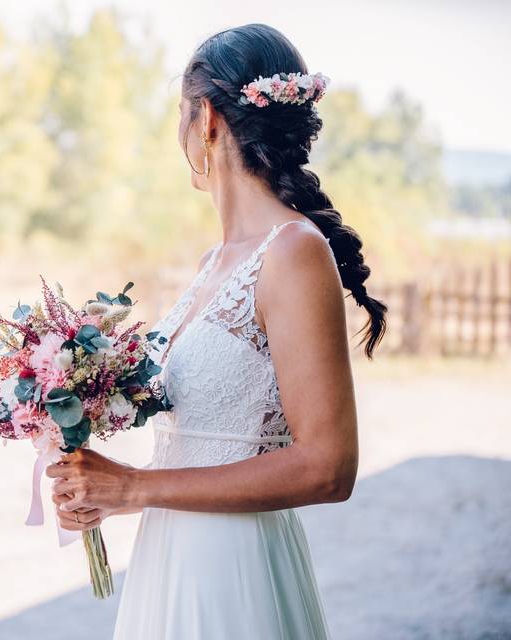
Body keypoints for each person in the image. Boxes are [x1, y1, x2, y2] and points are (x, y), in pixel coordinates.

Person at [47, 24, 387, 639]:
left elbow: (329, 466)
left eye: (181, 115)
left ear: (205, 119)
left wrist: (135, 486)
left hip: (235, 568)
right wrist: (99, 474)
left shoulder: (294, 253)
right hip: (170, 553)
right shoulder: (214, 262)